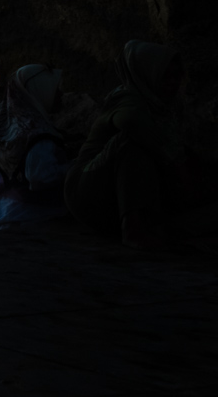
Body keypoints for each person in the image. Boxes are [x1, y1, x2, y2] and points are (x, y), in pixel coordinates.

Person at [65, 41, 192, 249]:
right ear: (148, 75)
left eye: (176, 76)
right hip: (87, 191)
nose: (172, 83)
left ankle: (147, 222)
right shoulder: (127, 98)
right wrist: (173, 163)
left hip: (115, 198)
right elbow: (130, 122)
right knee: (130, 141)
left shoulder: (167, 107)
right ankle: (132, 230)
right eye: (164, 76)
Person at [0, 64, 79, 229]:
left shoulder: (4, 131)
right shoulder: (38, 134)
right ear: (39, 91)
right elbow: (40, 177)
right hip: (39, 218)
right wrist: (76, 165)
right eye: (54, 89)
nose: (60, 94)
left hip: (4, 213)